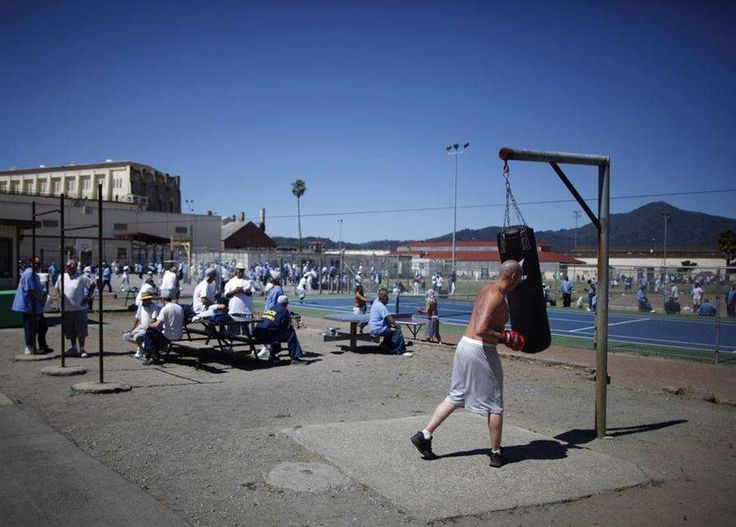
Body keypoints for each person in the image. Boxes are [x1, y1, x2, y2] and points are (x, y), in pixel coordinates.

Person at [409, 260, 525, 468]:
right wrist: (505, 338)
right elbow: (481, 328)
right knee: (495, 403)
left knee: (456, 395)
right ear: (513, 277)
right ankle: (496, 453)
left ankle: (424, 435)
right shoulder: (496, 295)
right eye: (520, 278)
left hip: (465, 345)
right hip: (480, 349)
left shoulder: (487, 289)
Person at [55, 259, 96, 358]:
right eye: (67, 267)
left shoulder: (81, 277)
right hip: (66, 309)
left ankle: (82, 349)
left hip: (79, 309)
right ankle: (73, 347)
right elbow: (57, 288)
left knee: (81, 330)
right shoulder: (62, 277)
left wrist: (87, 298)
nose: (68, 269)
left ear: (74, 267)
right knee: (70, 330)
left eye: (70, 267)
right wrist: (58, 297)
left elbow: (92, 285)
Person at [12, 256, 52, 355]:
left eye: (39, 263)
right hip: (30, 305)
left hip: (35, 306)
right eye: (36, 263)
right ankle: (30, 347)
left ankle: (41, 345)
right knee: (30, 326)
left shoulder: (33, 273)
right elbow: (32, 289)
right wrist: (41, 299)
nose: (38, 265)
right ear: (31, 263)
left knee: (42, 326)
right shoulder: (29, 273)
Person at [252, 295, 304, 363]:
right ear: (286, 303)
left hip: (257, 333)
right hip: (266, 335)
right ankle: (295, 357)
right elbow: (286, 327)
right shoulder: (284, 311)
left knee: (276, 331)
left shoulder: (271, 308)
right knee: (291, 333)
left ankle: (273, 355)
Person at [142, 290, 184, 365]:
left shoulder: (165, 309)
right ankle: (152, 354)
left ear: (162, 299)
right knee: (154, 334)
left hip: (169, 336)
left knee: (149, 333)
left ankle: (153, 356)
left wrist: (148, 325)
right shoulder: (179, 307)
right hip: (179, 335)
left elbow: (156, 325)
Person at [369, 288, 412, 356]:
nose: (388, 300)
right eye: (387, 299)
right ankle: (401, 350)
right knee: (397, 331)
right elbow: (389, 317)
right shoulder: (381, 306)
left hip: (374, 327)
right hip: (377, 329)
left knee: (389, 330)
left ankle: (385, 345)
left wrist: (391, 325)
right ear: (383, 299)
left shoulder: (376, 301)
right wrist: (396, 325)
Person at [123, 290, 160, 359]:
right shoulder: (141, 305)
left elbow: (154, 319)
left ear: (149, 299)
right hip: (141, 326)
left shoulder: (154, 307)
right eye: (143, 299)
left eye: (146, 299)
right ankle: (143, 346)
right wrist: (132, 328)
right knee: (126, 336)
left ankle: (144, 350)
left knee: (137, 336)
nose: (144, 301)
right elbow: (137, 318)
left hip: (149, 327)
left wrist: (149, 326)